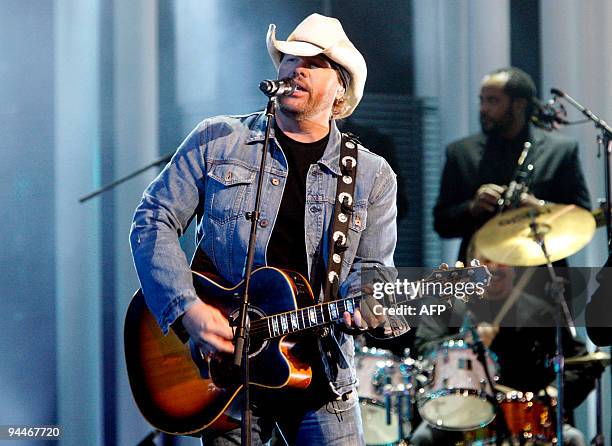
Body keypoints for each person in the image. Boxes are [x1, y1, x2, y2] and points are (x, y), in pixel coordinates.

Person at [130, 13, 404, 446]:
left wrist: (366, 302)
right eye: (290, 57)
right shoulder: (218, 140)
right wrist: (187, 309)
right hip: (228, 376)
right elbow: (152, 219)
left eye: (314, 63)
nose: (296, 67)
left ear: (340, 91)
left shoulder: (371, 175)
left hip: (321, 373)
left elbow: (372, 268)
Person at [410, 256, 601, 446]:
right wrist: (467, 340)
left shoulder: (540, 312)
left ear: (513, 267)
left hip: (527, 417)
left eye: (500, 259)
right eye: (485, 260)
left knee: (573, 439)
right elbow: (424, 349)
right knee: (422, 439)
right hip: (457, 411)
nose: (493, 267)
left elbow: (584, 363)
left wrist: (554, 392)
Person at [433, 67, 591, 263]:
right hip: (481, 274)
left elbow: (583, 216)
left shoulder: (561, 150)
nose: (483, 109)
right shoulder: (460, 152)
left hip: (541, 274)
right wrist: (472, 207)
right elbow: (441, 224)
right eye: (482, 100)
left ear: (519, 104)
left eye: (493, 100)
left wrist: (541, 208)